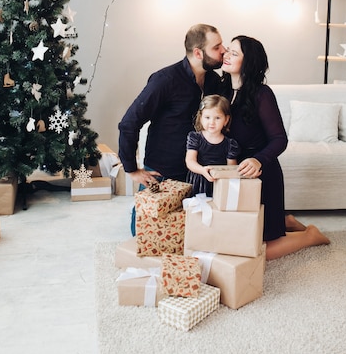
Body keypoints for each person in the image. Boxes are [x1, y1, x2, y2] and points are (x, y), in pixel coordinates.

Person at [221, 35, 330, 261]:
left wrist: (258, 160)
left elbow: (280, 139)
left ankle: (310, 236)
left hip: (261, 173)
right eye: (227, 50)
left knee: (258, 252)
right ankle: (285, 221)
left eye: (234, 53)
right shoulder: (220, 89)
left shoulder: (262, 94)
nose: (226, 55)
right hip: (231, 175)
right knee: (234, 241)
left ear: (248, 61)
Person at [118, 24, 226, 234]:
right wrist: (131, 169)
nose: (223, 50)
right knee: (143, 235)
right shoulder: (164, 80)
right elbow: (129, 123)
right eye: (217, 47)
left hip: (200, 171)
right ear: (197, 52)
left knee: (196, 235)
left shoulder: (214, 80)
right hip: (164, 170)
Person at [186, 94, 240, 197]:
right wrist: (202, 170)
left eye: (217, 118)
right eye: (207, 117)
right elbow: (190, 161)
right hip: (198, 182)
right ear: (200, 118)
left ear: (226, 120)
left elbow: (231, 169)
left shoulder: (230, 144)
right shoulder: (195, 138)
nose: (212, 122)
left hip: (219, 184)